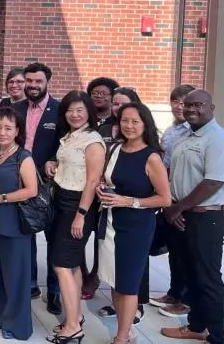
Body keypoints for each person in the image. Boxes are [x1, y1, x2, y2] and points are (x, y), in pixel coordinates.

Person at [159, 90, 224, 344]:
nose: (191, 109)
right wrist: (173, 206)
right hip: (182, 214)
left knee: (208, 278)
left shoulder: (219, 140)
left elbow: (213, 182)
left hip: (207, 218)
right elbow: (174, 174)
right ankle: (196, 326)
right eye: (188, 105)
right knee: (190, 274)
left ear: (211, 107)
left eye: (198, 105)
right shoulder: (184, 136)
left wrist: (178, 207)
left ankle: (218, 337)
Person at [94, 103, 172, 344]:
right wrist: (101, 189)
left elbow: (165, 198)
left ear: (145, 124)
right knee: (115, 281)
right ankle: (126, 332)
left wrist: (129, 201)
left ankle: (120, 337)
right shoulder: (116, 149)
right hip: (110, 222)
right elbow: (109, 179)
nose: (129, 126)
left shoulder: (152, 157)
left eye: (135, 121)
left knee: (128, 284)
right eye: (125, 121)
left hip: (136, 226)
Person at [44, 90, 105, 344]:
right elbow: (72, 167)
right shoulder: (70, 137)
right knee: (72, 264)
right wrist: (53, 165)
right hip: (62, 200)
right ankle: (75, 316)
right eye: (70, 110)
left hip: (77, 205)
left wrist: (80, 214)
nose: (74, 114)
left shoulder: (92, 140)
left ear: (89, 112)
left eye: (80, 110)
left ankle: (72, 328)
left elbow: (92, 180)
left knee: (60, 265)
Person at [0, 107, 39, 341]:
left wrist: (0, 198)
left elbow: (31, 191)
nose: (2, 132)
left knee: (15, 276)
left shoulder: (24, 157)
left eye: (8, 128)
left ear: (17, 131)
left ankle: (15, 323)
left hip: (14, 223)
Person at [12, 62, 65, 308]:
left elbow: (66, 143)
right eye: (29, 81)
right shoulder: (16, 108)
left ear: (47, 82)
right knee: (26, 233)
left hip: (49, 185)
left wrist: (54, 160)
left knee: (53, 237)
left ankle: (54, 290)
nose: (33, 86)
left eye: (38, 81)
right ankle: (30, 282)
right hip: (19, 182)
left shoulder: (60, 110)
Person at [89, 85, 142, 304]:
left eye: (123, 104)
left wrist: (130, 201)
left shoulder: (147, 149)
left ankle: (133, 312)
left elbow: (163, 196)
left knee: (132, 270)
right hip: (108, 209)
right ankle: (119, 309)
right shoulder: (107, 134)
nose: (118, 109)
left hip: (134, 215)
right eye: (116, 104)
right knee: (111, 264)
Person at [153, 83, 197, 317]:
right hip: (169, 197)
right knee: (174, 250)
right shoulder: (171, 130)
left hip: (185, 200)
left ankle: (186, 299)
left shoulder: (194, 130)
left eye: (184, 102)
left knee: (186, 252)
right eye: (175, 101)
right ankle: (174, 292)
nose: (179, 107)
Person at [87, 77, 120, 147]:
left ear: (113, 96)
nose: (98, 96)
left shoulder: (118, 120)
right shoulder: (84, 118)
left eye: (104, 93)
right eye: (95, 93)